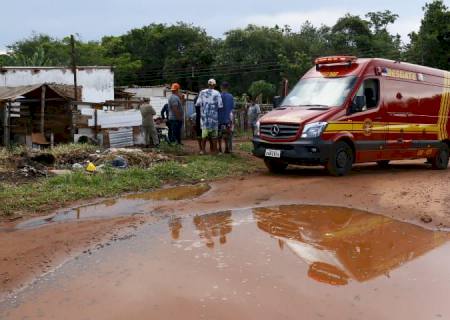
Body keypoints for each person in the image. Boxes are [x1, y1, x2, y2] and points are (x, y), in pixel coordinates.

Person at [196, 79, 223, 154]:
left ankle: (203, 150)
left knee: (204, 135)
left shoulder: (202, 92)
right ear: (214, 85)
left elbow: (198, 103)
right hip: (214, 118)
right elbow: (220, 105)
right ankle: (215, 150)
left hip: (204, 118)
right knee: (214, 135)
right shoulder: (217, 93)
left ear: (208, 84)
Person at [218, 82, 235, 153]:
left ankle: (219, 148)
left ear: (221, 87)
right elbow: (232, 108)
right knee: (228, 134)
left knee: (219, 134)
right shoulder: (231, 96)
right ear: (227, 88)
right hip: (228, 119)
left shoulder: (218, 95)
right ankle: (227, 148)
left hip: (219, 118)